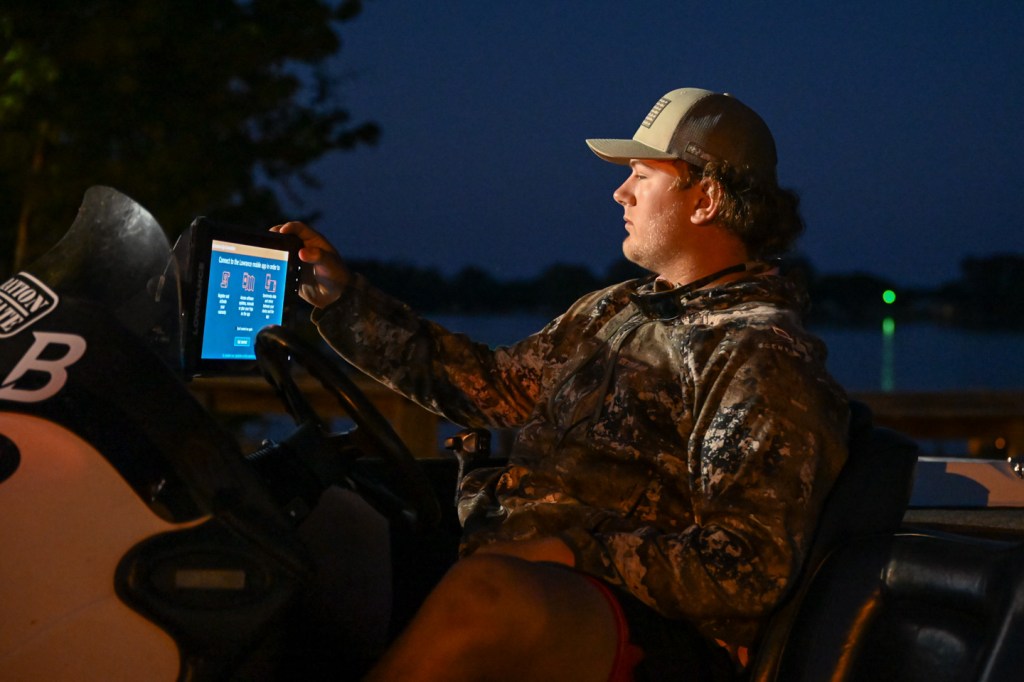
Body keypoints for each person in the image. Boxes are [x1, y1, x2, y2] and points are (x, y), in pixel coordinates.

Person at [272, 87, 850, 681]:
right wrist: (341, 299)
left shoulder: (759, 352)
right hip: (519, 560)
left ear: (705, 199)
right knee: (318, 522)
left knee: (484, 594)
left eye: (642, 175)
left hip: (653, 630)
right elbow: (486, 386)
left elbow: (747, 568)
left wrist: (570, 548)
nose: (620, 192)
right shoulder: (616, 309)